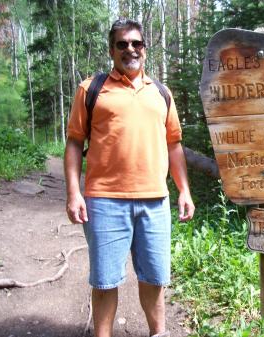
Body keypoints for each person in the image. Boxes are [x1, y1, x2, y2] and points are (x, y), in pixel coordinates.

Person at [64, 19, 195, 337]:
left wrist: (184, 191)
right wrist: (73, 192)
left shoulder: (161, 93)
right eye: (122, 44)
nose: (130, 49)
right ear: (112, 50)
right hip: (105, 201)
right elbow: (74, 142)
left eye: (136, 43)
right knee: (105, 280)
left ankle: (158, 332)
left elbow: (174, 144)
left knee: (154, 277)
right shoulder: (92, 89)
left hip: (155, 201)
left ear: (145, 50)